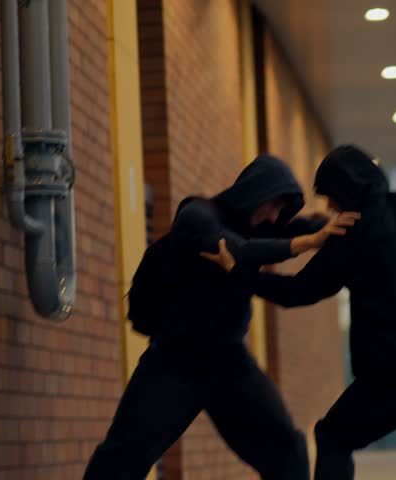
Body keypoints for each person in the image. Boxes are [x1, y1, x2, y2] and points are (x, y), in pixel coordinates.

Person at [204, 145, 396, 480]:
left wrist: (239, 273)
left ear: (346, 189)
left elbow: (297, 292)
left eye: (331, 196)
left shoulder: (354, 232)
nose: (331, 206)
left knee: (334, 437)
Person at [84, 155, 359, 480]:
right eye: (272, 204)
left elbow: (310, 225)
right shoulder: (197, 215)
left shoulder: (263, 225)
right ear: (255, 191)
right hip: (174, 362)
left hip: (229, 362)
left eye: (281, 210)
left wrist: (380, 210)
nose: (274, 216)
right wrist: (310, 242)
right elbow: (236, 251)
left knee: (288, 448)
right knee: (122, 456)